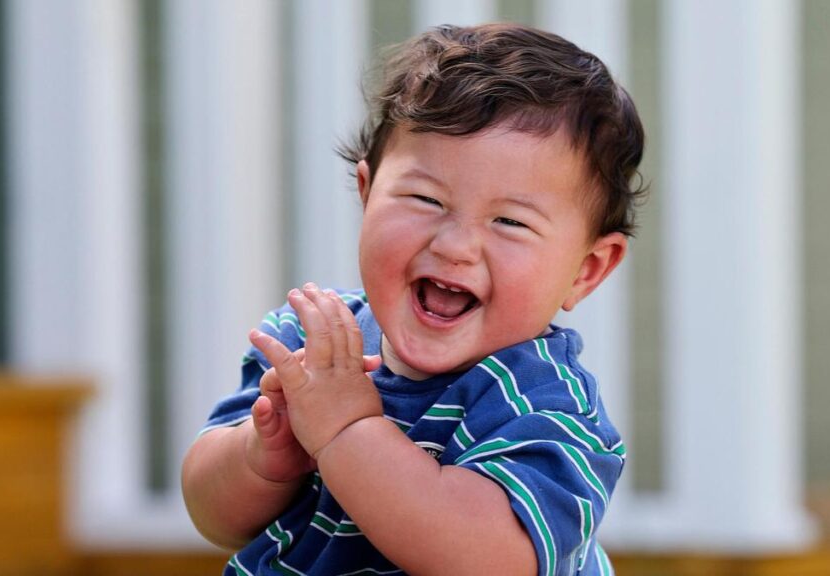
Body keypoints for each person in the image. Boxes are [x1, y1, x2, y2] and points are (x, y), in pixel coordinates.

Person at [182, 22, 645, 576]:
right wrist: (264, 458)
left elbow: (486, 559)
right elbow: (213, 517)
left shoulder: (544, 404)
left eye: (510, 222)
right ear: (367, 193)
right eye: (426, 199)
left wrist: (346, 432)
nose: (454, 246)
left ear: (585, 270)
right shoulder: (312, 341)